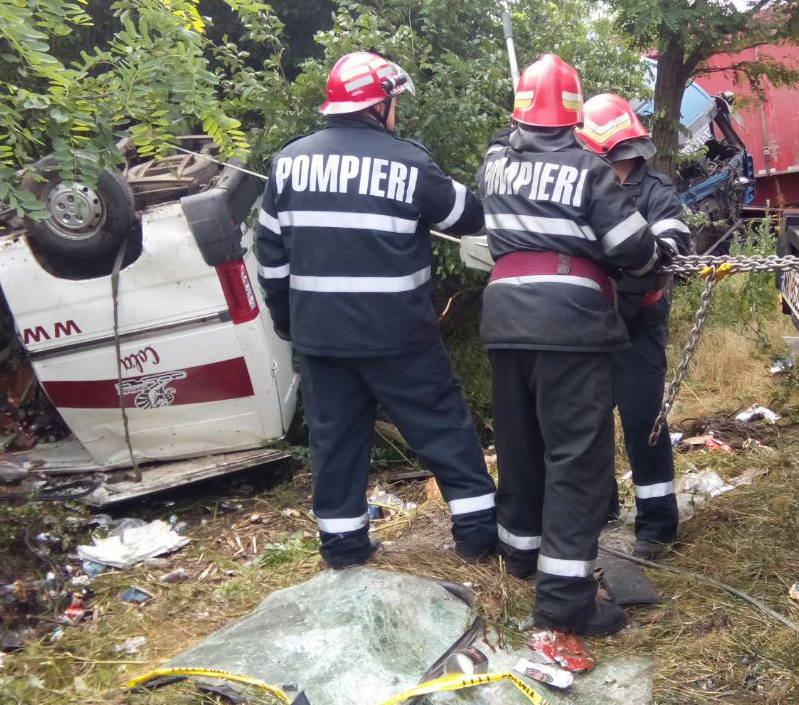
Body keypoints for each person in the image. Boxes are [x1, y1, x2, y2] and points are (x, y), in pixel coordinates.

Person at [254, 51, 496, 569]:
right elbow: (467, 214)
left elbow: (270, 261)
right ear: (379, 104)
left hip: (322, 340)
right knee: (443, 429)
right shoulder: (407, 160)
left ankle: (343, 548)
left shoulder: (289, 161)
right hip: (400, 336)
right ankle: (478, 536)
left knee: (335, 445)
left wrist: (289, 324)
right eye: (394, 103)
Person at [476, 54, 662, 636]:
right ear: (576, 116)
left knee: (520, 444)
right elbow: (632, 249)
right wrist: (660, 261)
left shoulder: (494, 163)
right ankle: (565, 601)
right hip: (571, 327)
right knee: (576, 460)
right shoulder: (589, 170)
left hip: (504, 321)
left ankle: (520, 556)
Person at [578, 93, 691, 558]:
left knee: (644, 421)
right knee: (589, 421)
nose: (621, 166)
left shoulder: (655, 188)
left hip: (639, 324)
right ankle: (599, 509)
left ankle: (657, 524)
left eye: (625, 156)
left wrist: (652, 249)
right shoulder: (579, 185)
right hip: (588, 323)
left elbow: (675, 233)